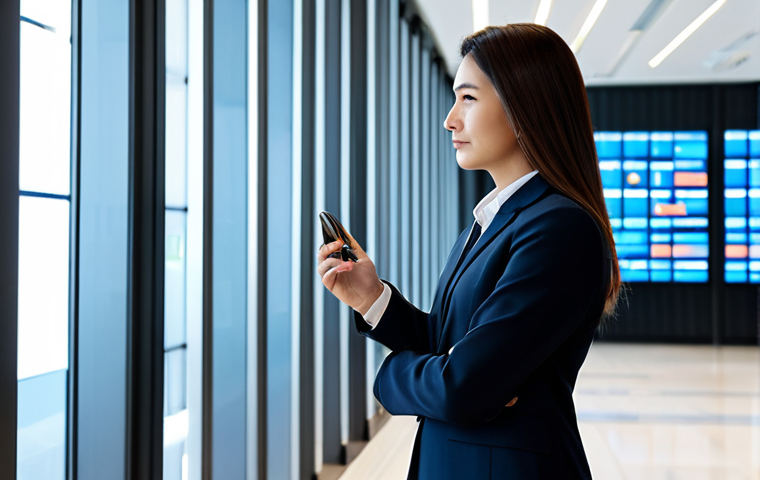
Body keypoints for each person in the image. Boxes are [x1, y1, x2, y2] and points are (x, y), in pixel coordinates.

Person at [317, 23, 621, 480]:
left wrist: (390, 375)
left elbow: (463, 387)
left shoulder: (561, 228)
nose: (450, 119)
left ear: (524, 107)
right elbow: (449, 347)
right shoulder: (487, 223)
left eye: (468, 98)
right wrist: (372, 298)